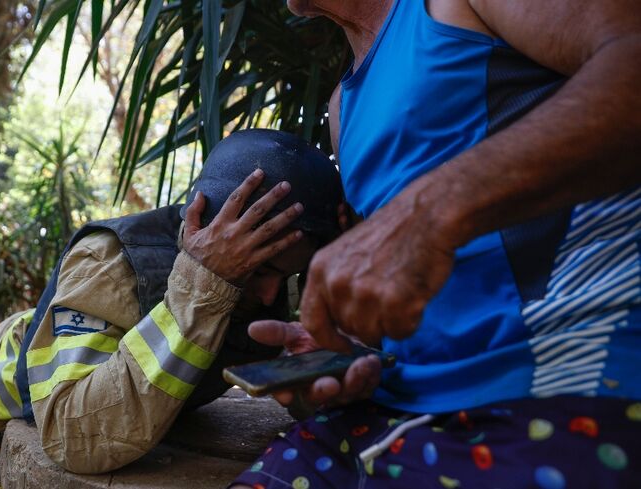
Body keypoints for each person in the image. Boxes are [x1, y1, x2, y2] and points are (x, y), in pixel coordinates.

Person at [232, 0, 640, 487]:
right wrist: (349, 355)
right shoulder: (343, 109)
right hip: (393, 413)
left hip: (565, 382)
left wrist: (430, 208)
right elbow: (417, 279)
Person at [0, 129, 345, 474]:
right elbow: (72, 436)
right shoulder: (109, 261)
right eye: (259, 272)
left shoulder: (274, 267)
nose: (270, 295)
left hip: (87, 330)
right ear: (200, 222)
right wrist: (206, 284)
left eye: (284, 275)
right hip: (15, 368)